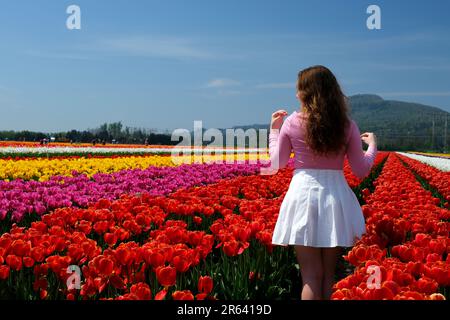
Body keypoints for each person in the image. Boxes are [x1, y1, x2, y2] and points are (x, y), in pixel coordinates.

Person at [268, 65, 377, 300]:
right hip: (335, 199)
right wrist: (373, 147)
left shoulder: (292, 123)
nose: (296, 95)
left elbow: (275, 163)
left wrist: (274, 130)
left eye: (298, 90)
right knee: (329, 275)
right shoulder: (347, 126)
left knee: (310, 277)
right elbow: (361, 170)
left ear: (307, 93)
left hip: (302, 196)